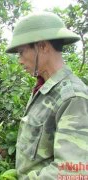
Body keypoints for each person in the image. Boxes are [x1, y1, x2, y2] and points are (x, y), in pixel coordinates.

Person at [5, 12, 88, 179]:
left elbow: (72, 171)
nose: (19, 60)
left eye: (21, 52)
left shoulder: (72, 97)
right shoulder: (45, 89)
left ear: (42, 46)